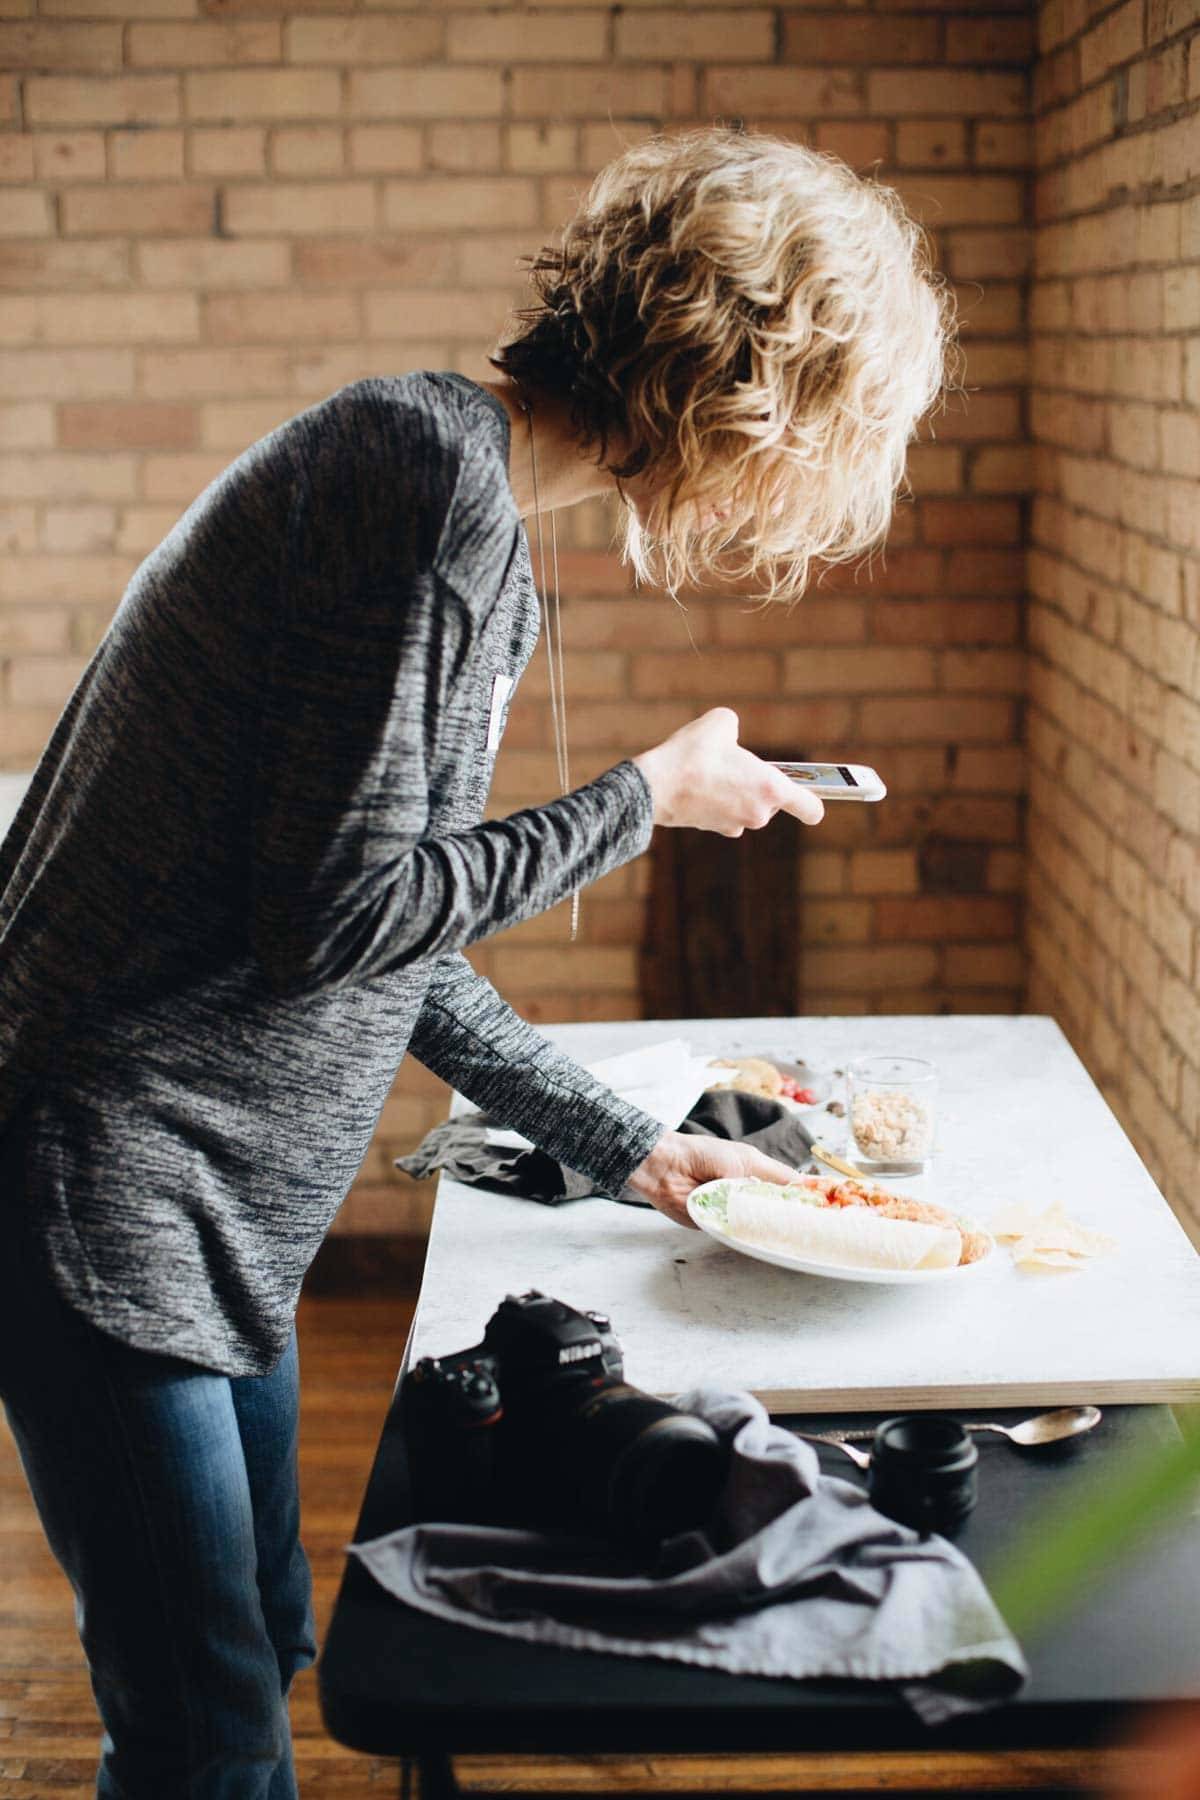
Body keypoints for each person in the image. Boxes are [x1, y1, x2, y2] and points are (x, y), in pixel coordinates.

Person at [0, 127, 954, 1794]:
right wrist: (641, 800)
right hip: (105, 1186)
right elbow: (338, 921)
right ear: (739, 384)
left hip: (209, 1202)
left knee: (265, 1643)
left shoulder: (461, 511)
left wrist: (623, 1142)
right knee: (204, 1720)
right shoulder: (416, 484)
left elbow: (382, 927)